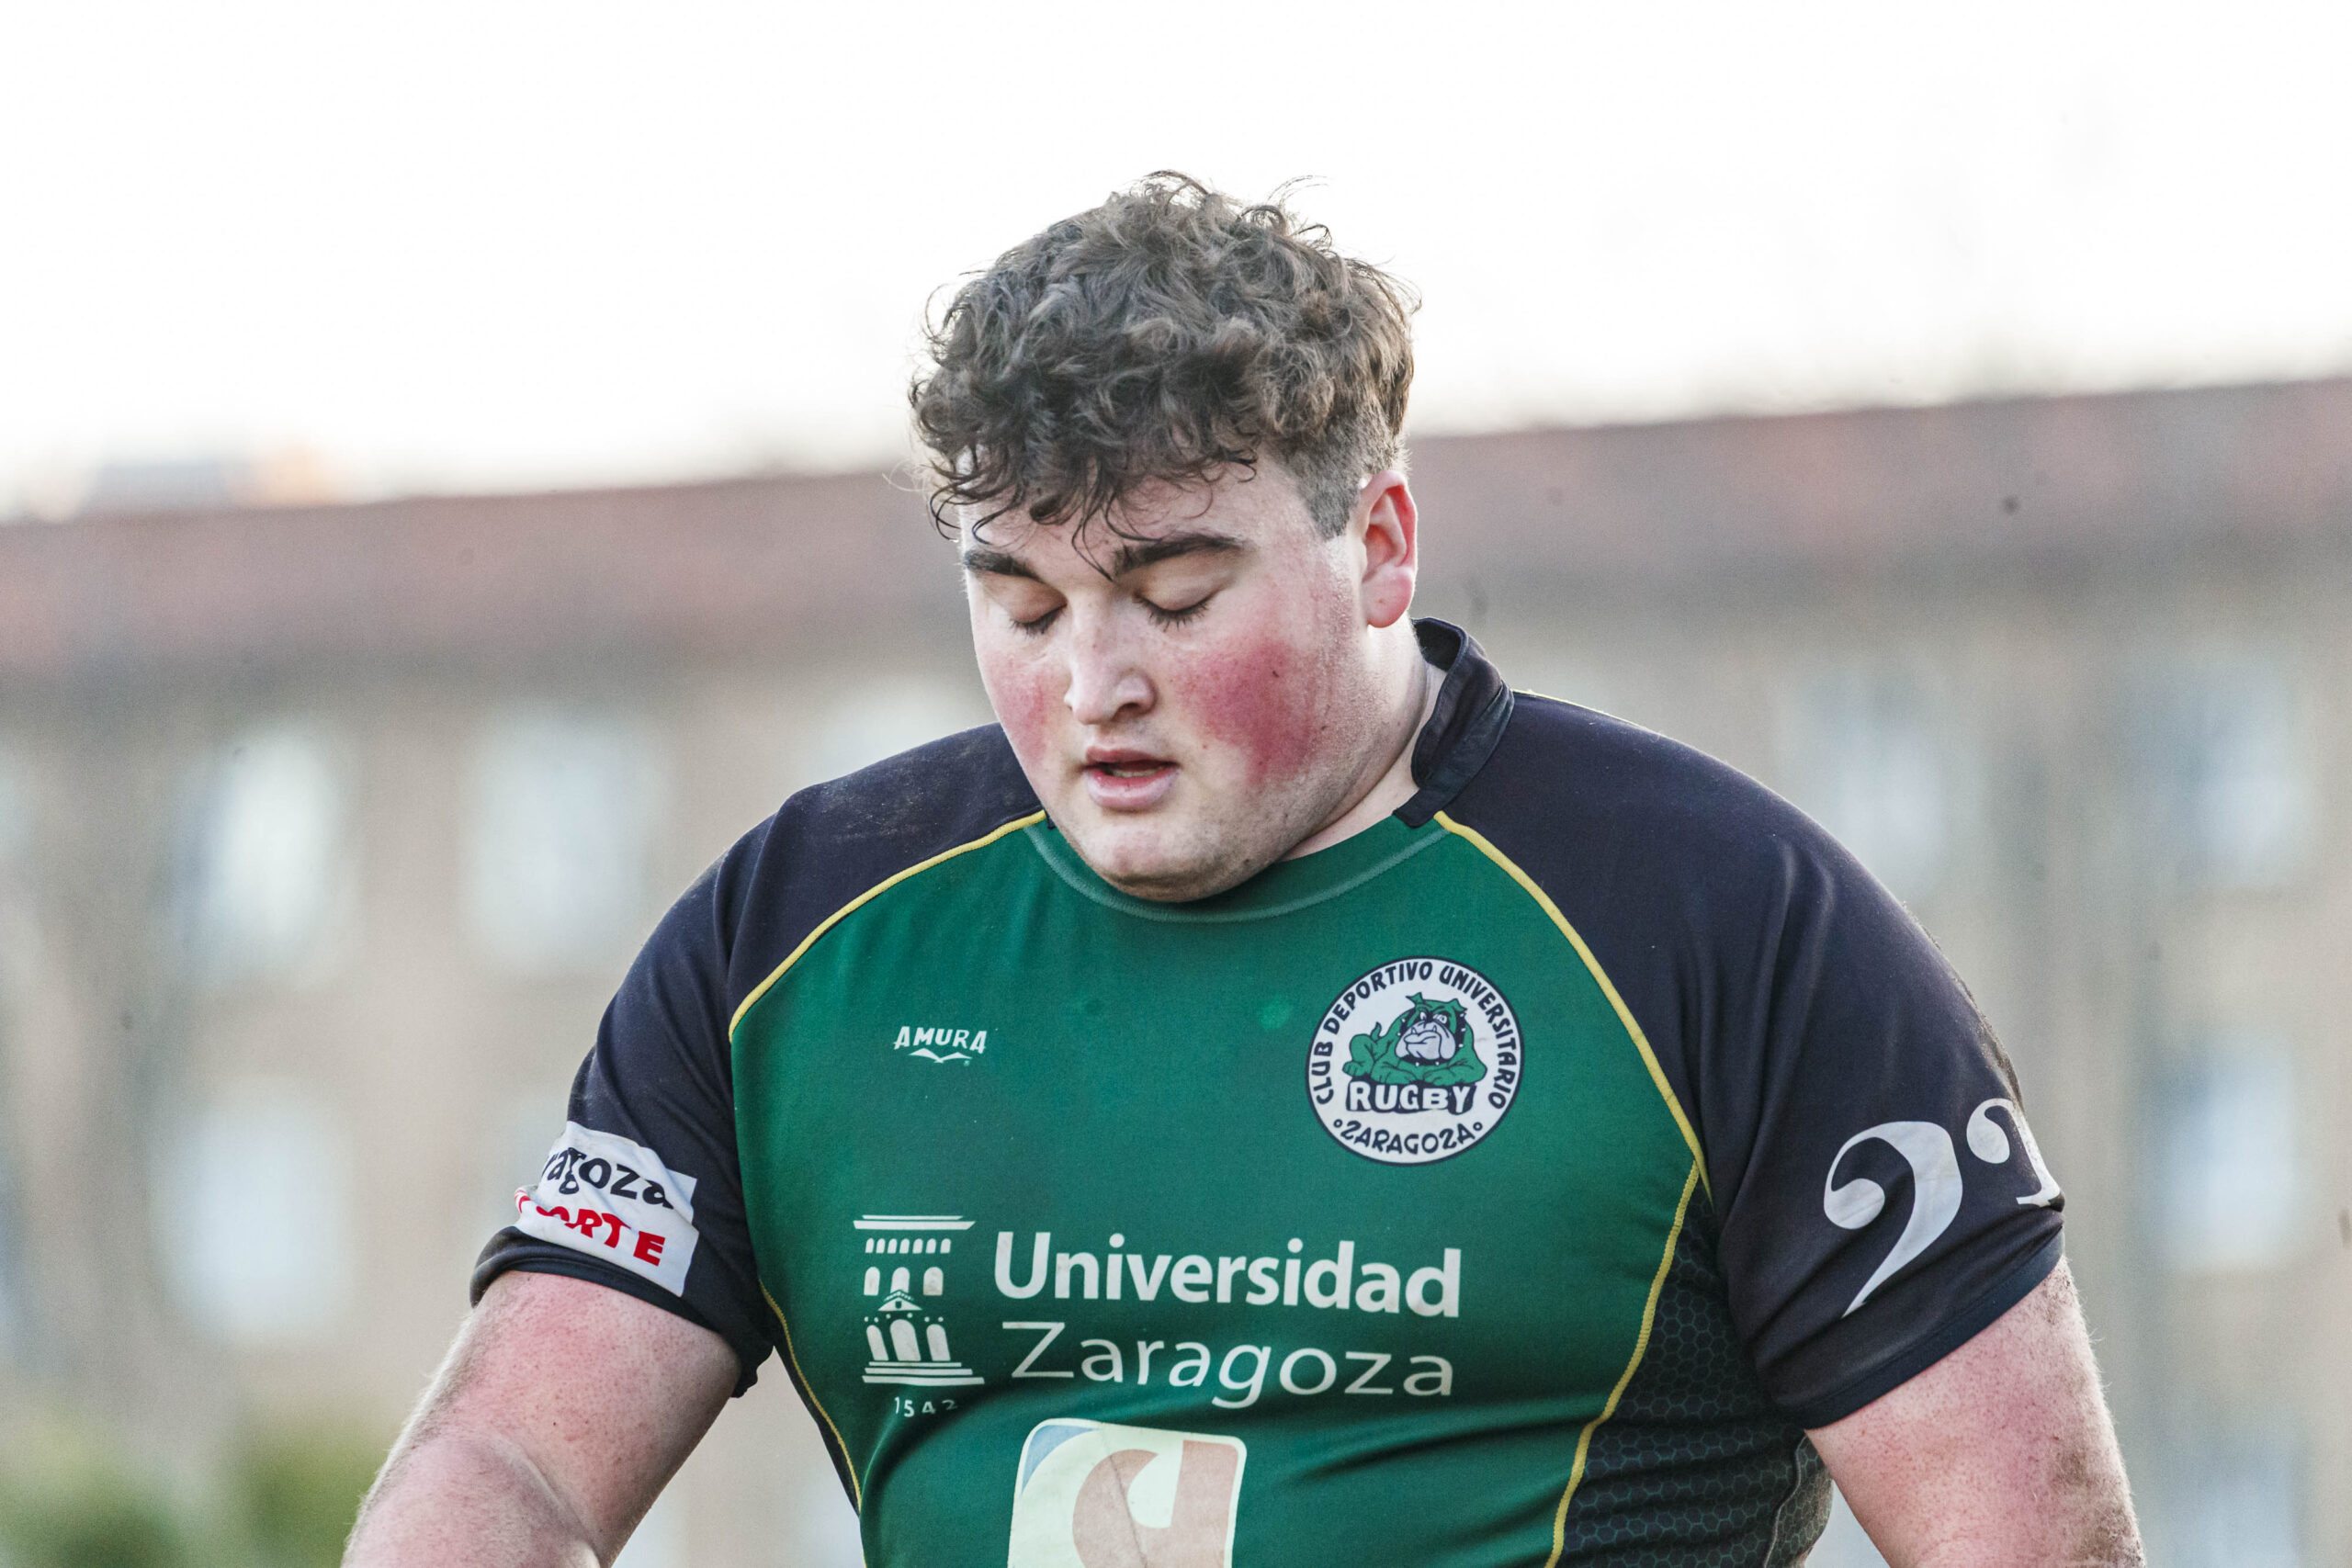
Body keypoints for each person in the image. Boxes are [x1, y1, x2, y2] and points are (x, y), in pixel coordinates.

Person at [345, 175, 2144, 1567]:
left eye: (1175, 591)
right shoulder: (802, 930)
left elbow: (2030, 1535)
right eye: (1020, 600)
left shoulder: (1717, 920)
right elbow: (507, 1456)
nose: (1088, 680)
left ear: (1375, 543)